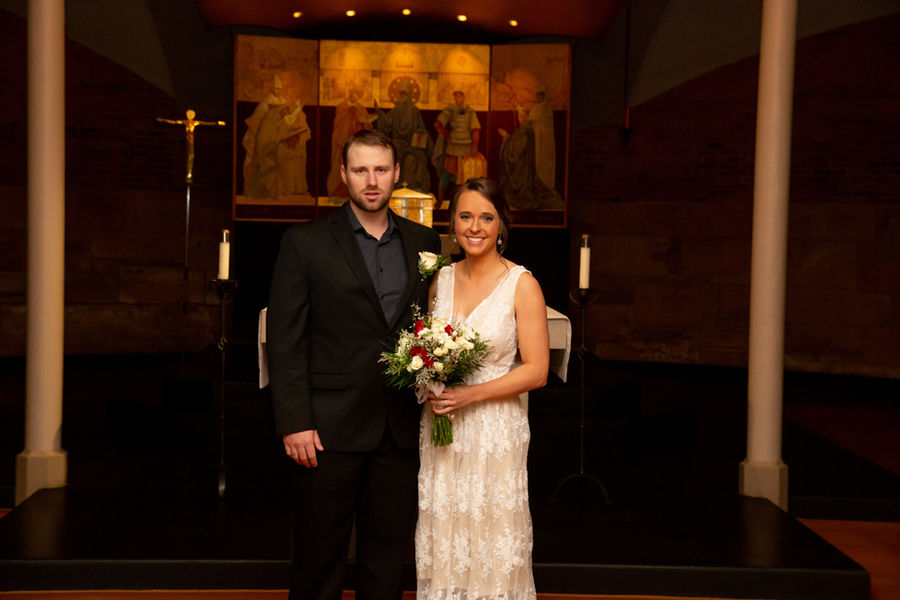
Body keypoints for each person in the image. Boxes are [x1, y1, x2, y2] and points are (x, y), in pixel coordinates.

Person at [267, 128, 442, 600]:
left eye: (381, 169)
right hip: (326, 429)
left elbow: (430, 324)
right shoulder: (305, 242)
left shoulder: (424, 242)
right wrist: (294, 421)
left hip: (397, 428)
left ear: (397, 173)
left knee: (386, 562)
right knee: (318, 559)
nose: (371, 180)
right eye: (361, 170)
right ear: (343, 175)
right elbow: (285, 339)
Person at [415, 177, 550, 599]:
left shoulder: (521, 284)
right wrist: (426, 381)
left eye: (486, 218)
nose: (475, 227)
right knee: (447, 529)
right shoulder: (440, 280)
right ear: (452, 223)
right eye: (466, 216)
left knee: (491, 532)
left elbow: (537, 371)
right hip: (442, 428)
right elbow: (423, 351)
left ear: (501, 225)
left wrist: (469, 395)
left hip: (494, 429)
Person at [498, 107, 563, 210]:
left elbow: (516, 149)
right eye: (518, 116)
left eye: (521, 116)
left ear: (527, 117)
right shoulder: (526, 129)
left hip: (523, 171)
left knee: (524, 194)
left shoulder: (525, 130)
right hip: (524, 166)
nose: (519, 118)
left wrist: (506, 137)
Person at [376, 83, 433, 193]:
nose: (402, 97)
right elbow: (386, 124)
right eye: (401, 94)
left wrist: (419, 133)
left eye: (404, 94)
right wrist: (379, 112)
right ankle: (395, 187)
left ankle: (413, 187)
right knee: (393, 160)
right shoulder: (395, 111)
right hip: (397, 145)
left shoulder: (414, 111)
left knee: (412, 160)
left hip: (411, 145)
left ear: (409, 96)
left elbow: (421, 128)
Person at [432, 90, 481, 201]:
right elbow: (438, 125)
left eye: (460, 96)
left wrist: (475, 146)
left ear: (464, 97)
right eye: (456, 96)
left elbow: (475, 130)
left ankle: (465, 201)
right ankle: (440, 202)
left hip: (467, 149)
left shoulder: (470, 112)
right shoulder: (450, 110)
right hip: (453, 148)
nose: (458, 98)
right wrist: (447, 135)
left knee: (466, 176)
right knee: (447, 174)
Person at [326, 90, 377, 197]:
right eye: (353, 95)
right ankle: (339, 190)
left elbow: (368, 126)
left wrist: (363, 122)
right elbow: (338, 123)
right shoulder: (342, 107)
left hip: (357, 146)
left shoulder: (361, 109)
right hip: (343, 143)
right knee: (342, 165)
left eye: (357, 95)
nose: (354, 97)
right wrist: (349, 116)